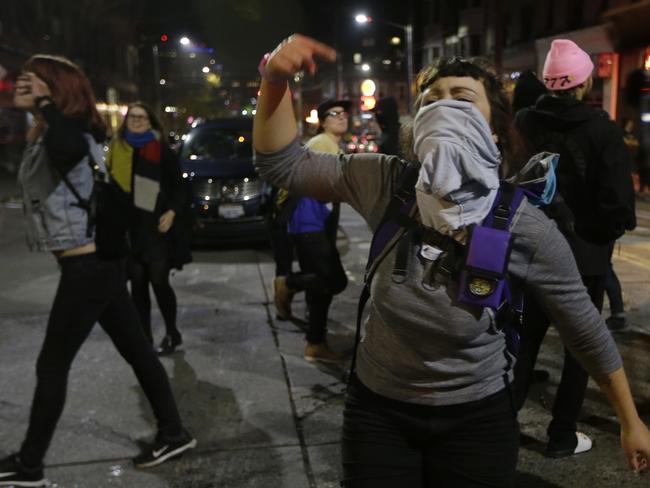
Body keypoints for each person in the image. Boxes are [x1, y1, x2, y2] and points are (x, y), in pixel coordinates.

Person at [253, 34, 650, 487]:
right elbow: (282, 164)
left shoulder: (527, 226)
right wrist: (276, 79)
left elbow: (584, 327)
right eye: (431, 100)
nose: (444, 107)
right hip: (378, 412)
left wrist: (630, 420)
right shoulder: (385, 182)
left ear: (494, 130)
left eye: (462, 98)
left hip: (476, 421)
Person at [0, 55, 195, 486]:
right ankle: (173, 431)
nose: (21, 83)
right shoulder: (51, 132)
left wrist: (47, 105)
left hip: (88, 268)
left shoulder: (72, 132)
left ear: (55, 89)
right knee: (139, 351)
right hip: (99, 267)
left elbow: (70, 144)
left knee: (51, 366)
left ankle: (30, 465)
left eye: (32, 80)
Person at [515, 39, 637, 458]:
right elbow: (619, 205)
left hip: (528, 247)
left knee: (523, 341)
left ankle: (498, 428)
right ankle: (561, 434)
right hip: (583, 256)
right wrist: (602, 233)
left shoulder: (525, 122)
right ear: (584, 83)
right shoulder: (602, 131)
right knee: (579, 347)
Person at [106, 102, 191, 355]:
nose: (136, 121)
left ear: (151, 122)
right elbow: (109, 186)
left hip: (155, 226)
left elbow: (179, 187)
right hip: (128, 227)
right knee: (137, 284)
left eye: (142, 118)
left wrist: (172, 212)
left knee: (159, 281)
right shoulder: (117, 149)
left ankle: (172, 332)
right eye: (132, 117)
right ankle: (144, 338)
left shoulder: (161, 150)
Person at [272, 99, 349, 362]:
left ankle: (315, 343)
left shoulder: (331, 145)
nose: (342, 117)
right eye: (334, 114)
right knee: (335, 280)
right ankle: (290, 283)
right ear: (323, 121)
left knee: (320, 286)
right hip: (308, 223)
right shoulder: (321, 144)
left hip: (314, 224)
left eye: (344, 114)